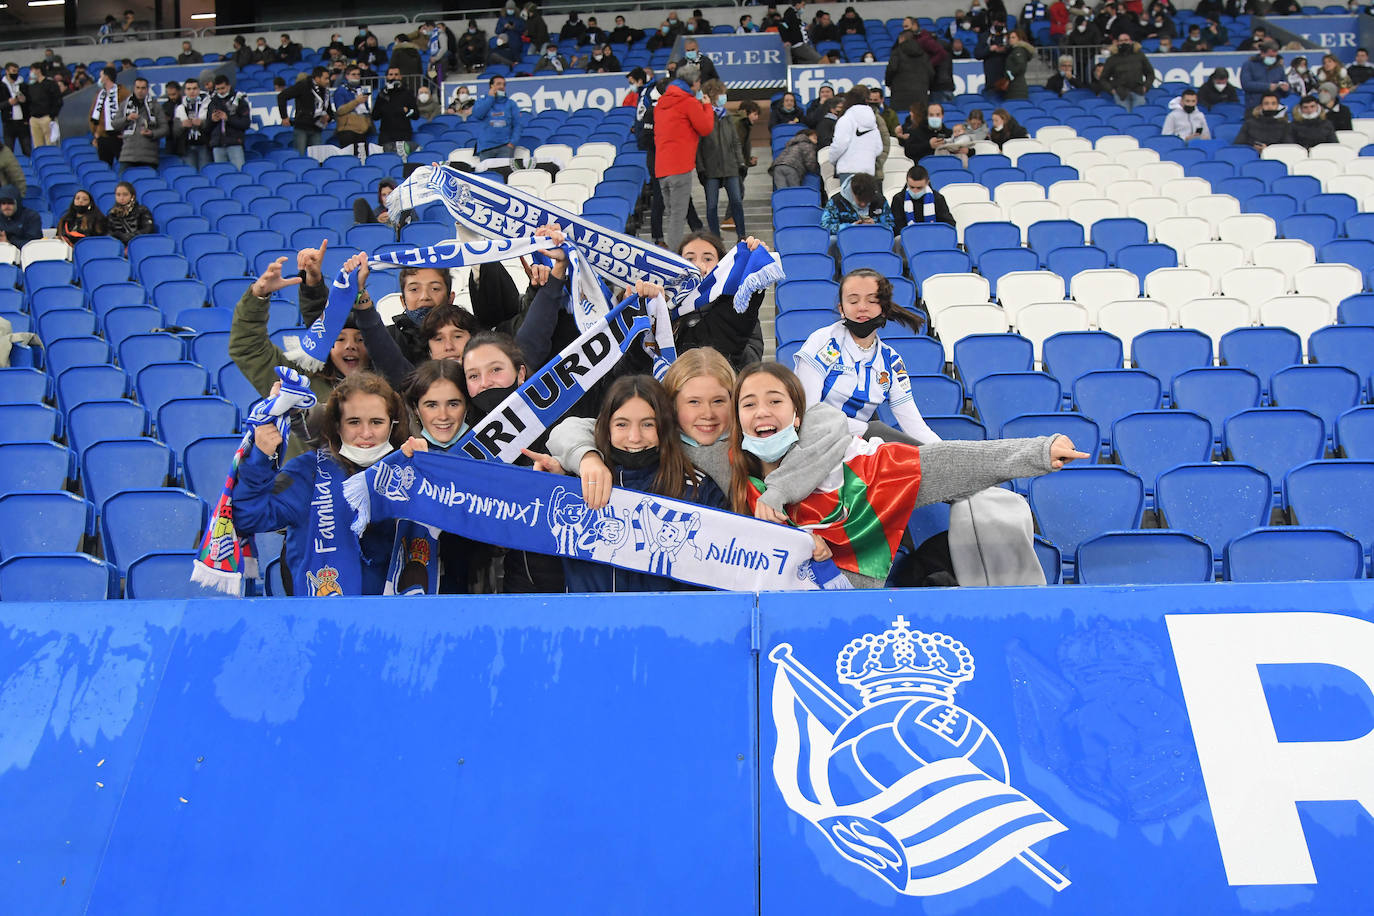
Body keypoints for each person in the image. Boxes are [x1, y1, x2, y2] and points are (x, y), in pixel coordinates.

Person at [727, 362, 1087, 587]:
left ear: (797, 416)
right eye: (749, 404)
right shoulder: (730, 475)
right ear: (738, 418)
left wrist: (1036, 452)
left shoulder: (860, 467)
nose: (762, 412)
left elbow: (946, 462)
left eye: (775, 401)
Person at [530, 375, 727, 593]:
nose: (634, 437)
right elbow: (542, 563)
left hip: (670, 615)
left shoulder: (697, 488)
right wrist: (545, 485)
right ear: (606, 427)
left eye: (648, 424)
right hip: (587, 614)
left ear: (664, 426)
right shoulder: (577, 481)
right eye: (622, 424)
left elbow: (720, 571)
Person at [234, 370, 406, 597]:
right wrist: (259, 459)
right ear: (337, 425)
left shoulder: (408, 474)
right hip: (320, 612)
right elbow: (247, 517)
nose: (366, 433)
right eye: (353, 422)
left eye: (376, 422)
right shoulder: (307, 472)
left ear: (392, 425)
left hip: (393, 613)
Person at [794, 268, 936, 440]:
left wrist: (946, 451)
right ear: (841, 309)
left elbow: (916, 427)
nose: (862, 307)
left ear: (884, 309)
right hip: (813, 442)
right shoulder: (823, 342)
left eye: (872, 300)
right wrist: (870, 431)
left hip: (858, 447)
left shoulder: (891, 362)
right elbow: (808, 413)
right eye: (853, 301)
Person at [656, 62, 714, 252]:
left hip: (662, 168)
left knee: (672, 215)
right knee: (678, 217)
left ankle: (672, 252)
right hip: (679, 167)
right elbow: (705, 128)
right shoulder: (688, 102)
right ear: (694, 83)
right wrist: (707, 106)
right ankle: (674, 258)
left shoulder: (661, 103)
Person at [695, 80, 747, 239]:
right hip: (710, 168)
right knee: (711, 206)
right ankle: (715, 238)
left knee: (736, 201)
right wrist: (700, 168)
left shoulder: (727, 116)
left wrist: (741, 162)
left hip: (731, 166)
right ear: (713, 95)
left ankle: (741, 236)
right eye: (721, 94)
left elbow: (735, 141)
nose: (724, 97)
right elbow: (698, 146)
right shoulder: (703, 116)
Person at [828, 86, 883, 183]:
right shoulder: (872, 121)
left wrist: (832, 159)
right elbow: (878, 148)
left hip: (848, 169)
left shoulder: (846, 119)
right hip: (868, 170)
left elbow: (840, 144)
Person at [112, 77, 166, 170]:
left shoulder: (155, 106)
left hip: (149, 157)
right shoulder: (125, 104)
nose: (140, 91)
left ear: (147, 89)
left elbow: (165, 128)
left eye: (143, 88)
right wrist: (127, 119)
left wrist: (152, 133)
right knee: (124, 179)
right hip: (127, 155)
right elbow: (115, 124)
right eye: (138, 88)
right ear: (134, 88)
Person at [472, 75, 523, 172]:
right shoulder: (482, 101)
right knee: (487, 177)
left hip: (505, 147)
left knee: (504, 175)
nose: (502, 87)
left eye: (504, 84)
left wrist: (512, 143)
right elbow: (478, 115)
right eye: (498, 84)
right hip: (486, 147)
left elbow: (518, 125)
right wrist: (490, 98)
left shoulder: (511, 104)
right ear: (491, 86)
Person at [279, 67, 334, 155]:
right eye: (326, 78)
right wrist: (284, 117)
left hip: (317, 128)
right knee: (299, 156)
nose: (328, 81)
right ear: (317, 78)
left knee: (317, 156)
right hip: (302, 128)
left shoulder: (325, 91)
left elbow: (329, 111)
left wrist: (328, 118)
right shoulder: (303, 85)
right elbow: (282, 96)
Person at [821, 172, 894, 234]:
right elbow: (825, 226)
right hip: (846, 238)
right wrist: (851, 227)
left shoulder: (880, 200)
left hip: (874, 236)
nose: (863, 204)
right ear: (852, 192)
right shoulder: (836, 201)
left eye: (866, 201)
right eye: (860, 200)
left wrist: (876, 226)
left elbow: (891, 226)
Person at [891, 165, 956, 230]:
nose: (915, 191)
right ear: (907, 183)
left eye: (919, 188)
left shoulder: (938, 198)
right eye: (912, 187)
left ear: (927, 183)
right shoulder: (898, 199)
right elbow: (896, 226)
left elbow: (949, 224)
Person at [207, 75, 251, 168]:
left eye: (223, 88)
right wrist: (212, 120)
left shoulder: (239, 100)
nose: (220, 91)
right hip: (217, 145)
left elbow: (246, 123)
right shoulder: (212, 102)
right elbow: (207, 127)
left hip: (234, 143)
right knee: (221, 173)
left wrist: (228, 119)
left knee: (239, 172)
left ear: (229, 86)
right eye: (218, 89)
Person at [1101, 34, 1153, 112]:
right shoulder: (1112, 59)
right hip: (1121, 94)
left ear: (1131, 41)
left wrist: (1146, 87)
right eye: (1121, 41)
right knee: (1124, 117)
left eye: (1126, 40)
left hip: (1138, 91)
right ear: (1117, 42)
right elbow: (1103, 78)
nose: (1124, 42)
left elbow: (1150, 73)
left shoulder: (1140, 56)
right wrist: (1112, 90)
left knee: (1139, 115)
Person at [886, 30, 933, 116]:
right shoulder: (923, 54)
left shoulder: (897, 52)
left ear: (901, 38)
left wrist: (888, 83)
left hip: (899, 95)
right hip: (920, 95)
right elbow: (931, 73)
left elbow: (892, 68)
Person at [88, 67, 129, 165]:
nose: (100, 79)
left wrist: (126, 131)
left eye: (101, 76)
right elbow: (93, 114)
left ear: (106, 77)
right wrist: (95, 132)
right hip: (103, 137)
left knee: (124, 165)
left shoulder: (123, 93)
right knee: (104, 166)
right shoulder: (100, 94)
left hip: (118, 137)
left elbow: (130, 112)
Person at [373, 67, 418, 154]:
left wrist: (406, 111)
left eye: (396, 74)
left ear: (400, 76)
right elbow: (375, 116)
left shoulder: (408, 93)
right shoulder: (382, 94)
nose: (394, 77)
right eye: (391, 74)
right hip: (386, 134)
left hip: (403, 133)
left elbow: (416, 115)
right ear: (387, 77)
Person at [1241, 40, 1290, 110]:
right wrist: (1268, 87)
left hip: (1274, 107)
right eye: (1270, 56)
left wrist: (1286, 89)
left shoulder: (1279, 67)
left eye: (1275, 56)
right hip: (1254, 106)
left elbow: (1285, 88)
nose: (1273, 59)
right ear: (1262, 53)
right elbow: (1246, 84)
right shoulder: (1249, 65)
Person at [104, 181, 155, 245]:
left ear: (132, 196)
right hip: (118, 246)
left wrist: (127, 237)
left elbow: (148, 229)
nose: (121, 198)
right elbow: (108, 233)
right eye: (118, 195)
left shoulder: (142, 210)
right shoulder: (112, 213)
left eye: (125, 194)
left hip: (140, 244)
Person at [25, 64, 60, 150]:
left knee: (51, 144)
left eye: (32, 70)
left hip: (47, 117)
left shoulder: (50, 84)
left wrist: (52, 116)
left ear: (38, 70)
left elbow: (57, 101)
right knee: (37, 146)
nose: (31, 72)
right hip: (34, 118)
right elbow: (28, 101)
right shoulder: (31, 86)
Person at [1005, 30, 1034, 100]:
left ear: (1019, 38)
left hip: (1016, 87)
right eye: (1009, 38)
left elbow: (1021, 66)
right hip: (1016, 85)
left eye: (1013, 37)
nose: (1010, 39)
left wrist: (1009, 75)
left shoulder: (1018, 50)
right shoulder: (1014, 50)